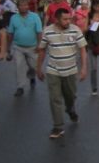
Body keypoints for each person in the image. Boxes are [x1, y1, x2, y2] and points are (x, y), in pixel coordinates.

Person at [36, 8, 88, 139]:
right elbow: (42, 50)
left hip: (71, 71)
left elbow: (82, 50)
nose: (68, 21)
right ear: (57, 19)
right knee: (55, 98)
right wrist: (38, 68)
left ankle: (70, 109)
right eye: (65, 19)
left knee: (70, 96)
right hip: (53, 71)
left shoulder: (75, 30)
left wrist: (84, 68)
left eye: (69, 18)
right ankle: (58, 126)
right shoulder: (48, 32)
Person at [6, 0, 43, 97]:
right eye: (21, 5)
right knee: (19, 66)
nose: (23, 7)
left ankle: (32, 77)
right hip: (18, 47)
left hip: (32, 47)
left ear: (28, 6)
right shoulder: (14, 18)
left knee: (34, 66)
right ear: (17, 7)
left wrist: (39, 45)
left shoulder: (35, 17)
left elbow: (39, 32)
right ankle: (20, 87)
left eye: (25, 5)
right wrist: (8, 48)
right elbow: (10, 34)